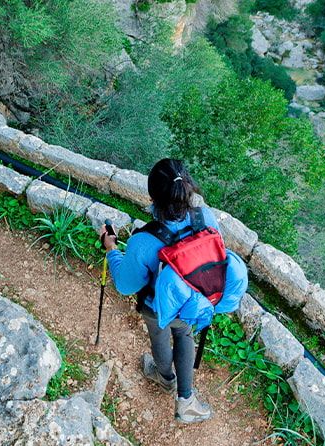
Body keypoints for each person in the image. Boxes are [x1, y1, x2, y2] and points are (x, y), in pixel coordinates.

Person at [99, 158, 247, 424]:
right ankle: (186, 401)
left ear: (153, 196)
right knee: (184, 334)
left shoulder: (143, 241)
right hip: (194, 300)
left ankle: (164, 377)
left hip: (157, 307)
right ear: (188, 187)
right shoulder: (206, 217)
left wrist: (112, 249)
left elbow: (125, 285)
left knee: (159, 337)